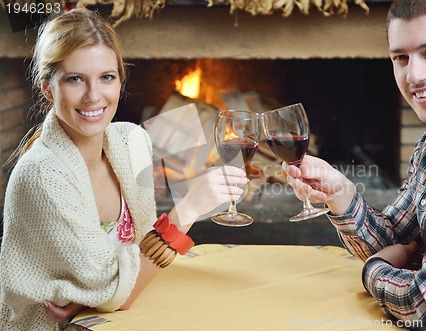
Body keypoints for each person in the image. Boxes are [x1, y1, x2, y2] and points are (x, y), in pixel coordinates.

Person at [0, 8, 248, 330]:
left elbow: (136, 256)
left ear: (120, 80)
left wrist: (97, 293)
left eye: (106, 77)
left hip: (121, 318)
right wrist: (188, 208)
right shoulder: (43, 175)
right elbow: (120, 293)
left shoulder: (131, 142)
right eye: (75, 79)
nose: (94, 97)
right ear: (48, 88)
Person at [283, 0, 426, 329]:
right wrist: (340, 193)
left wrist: (375, 273)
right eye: (401, 57)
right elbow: (397, 242)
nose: (413, 75)